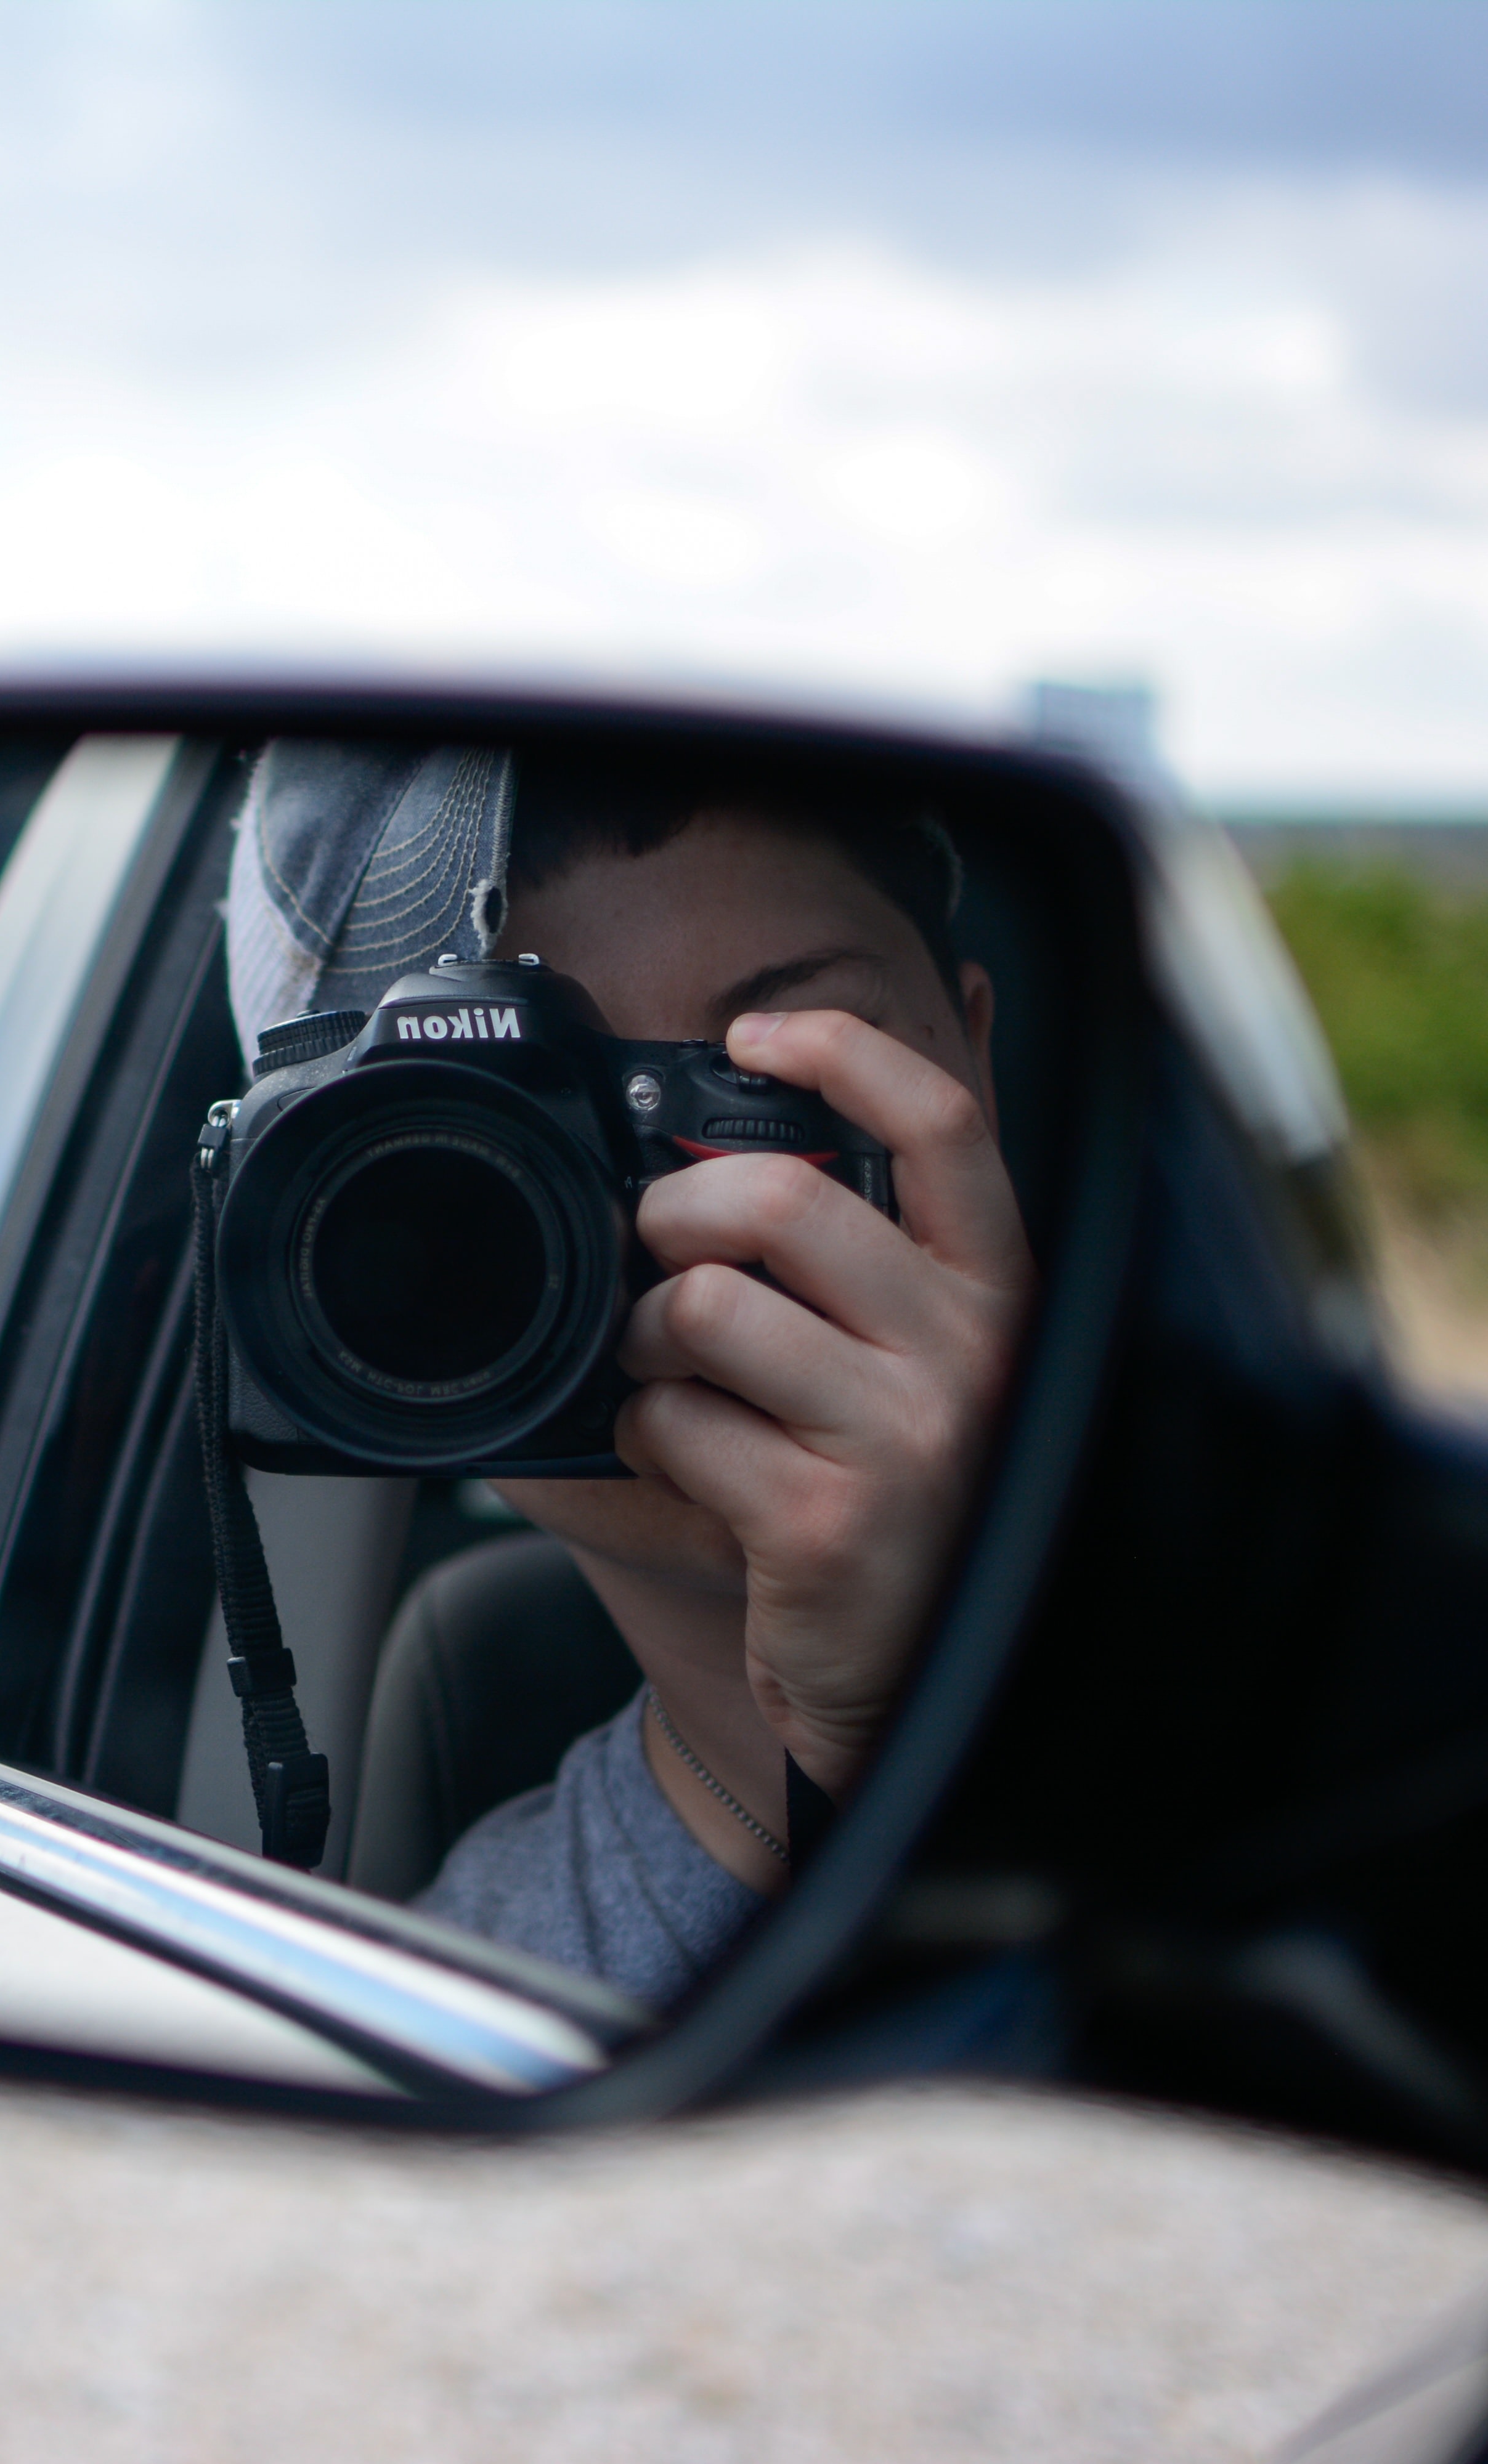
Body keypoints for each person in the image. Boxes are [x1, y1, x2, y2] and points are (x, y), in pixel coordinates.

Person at [387, 768, 1039, 2003]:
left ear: (973, 1073)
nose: (701, 1219)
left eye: (774, 1088)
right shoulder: (463, 1995)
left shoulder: (1355, 1625)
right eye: (527, 1125)